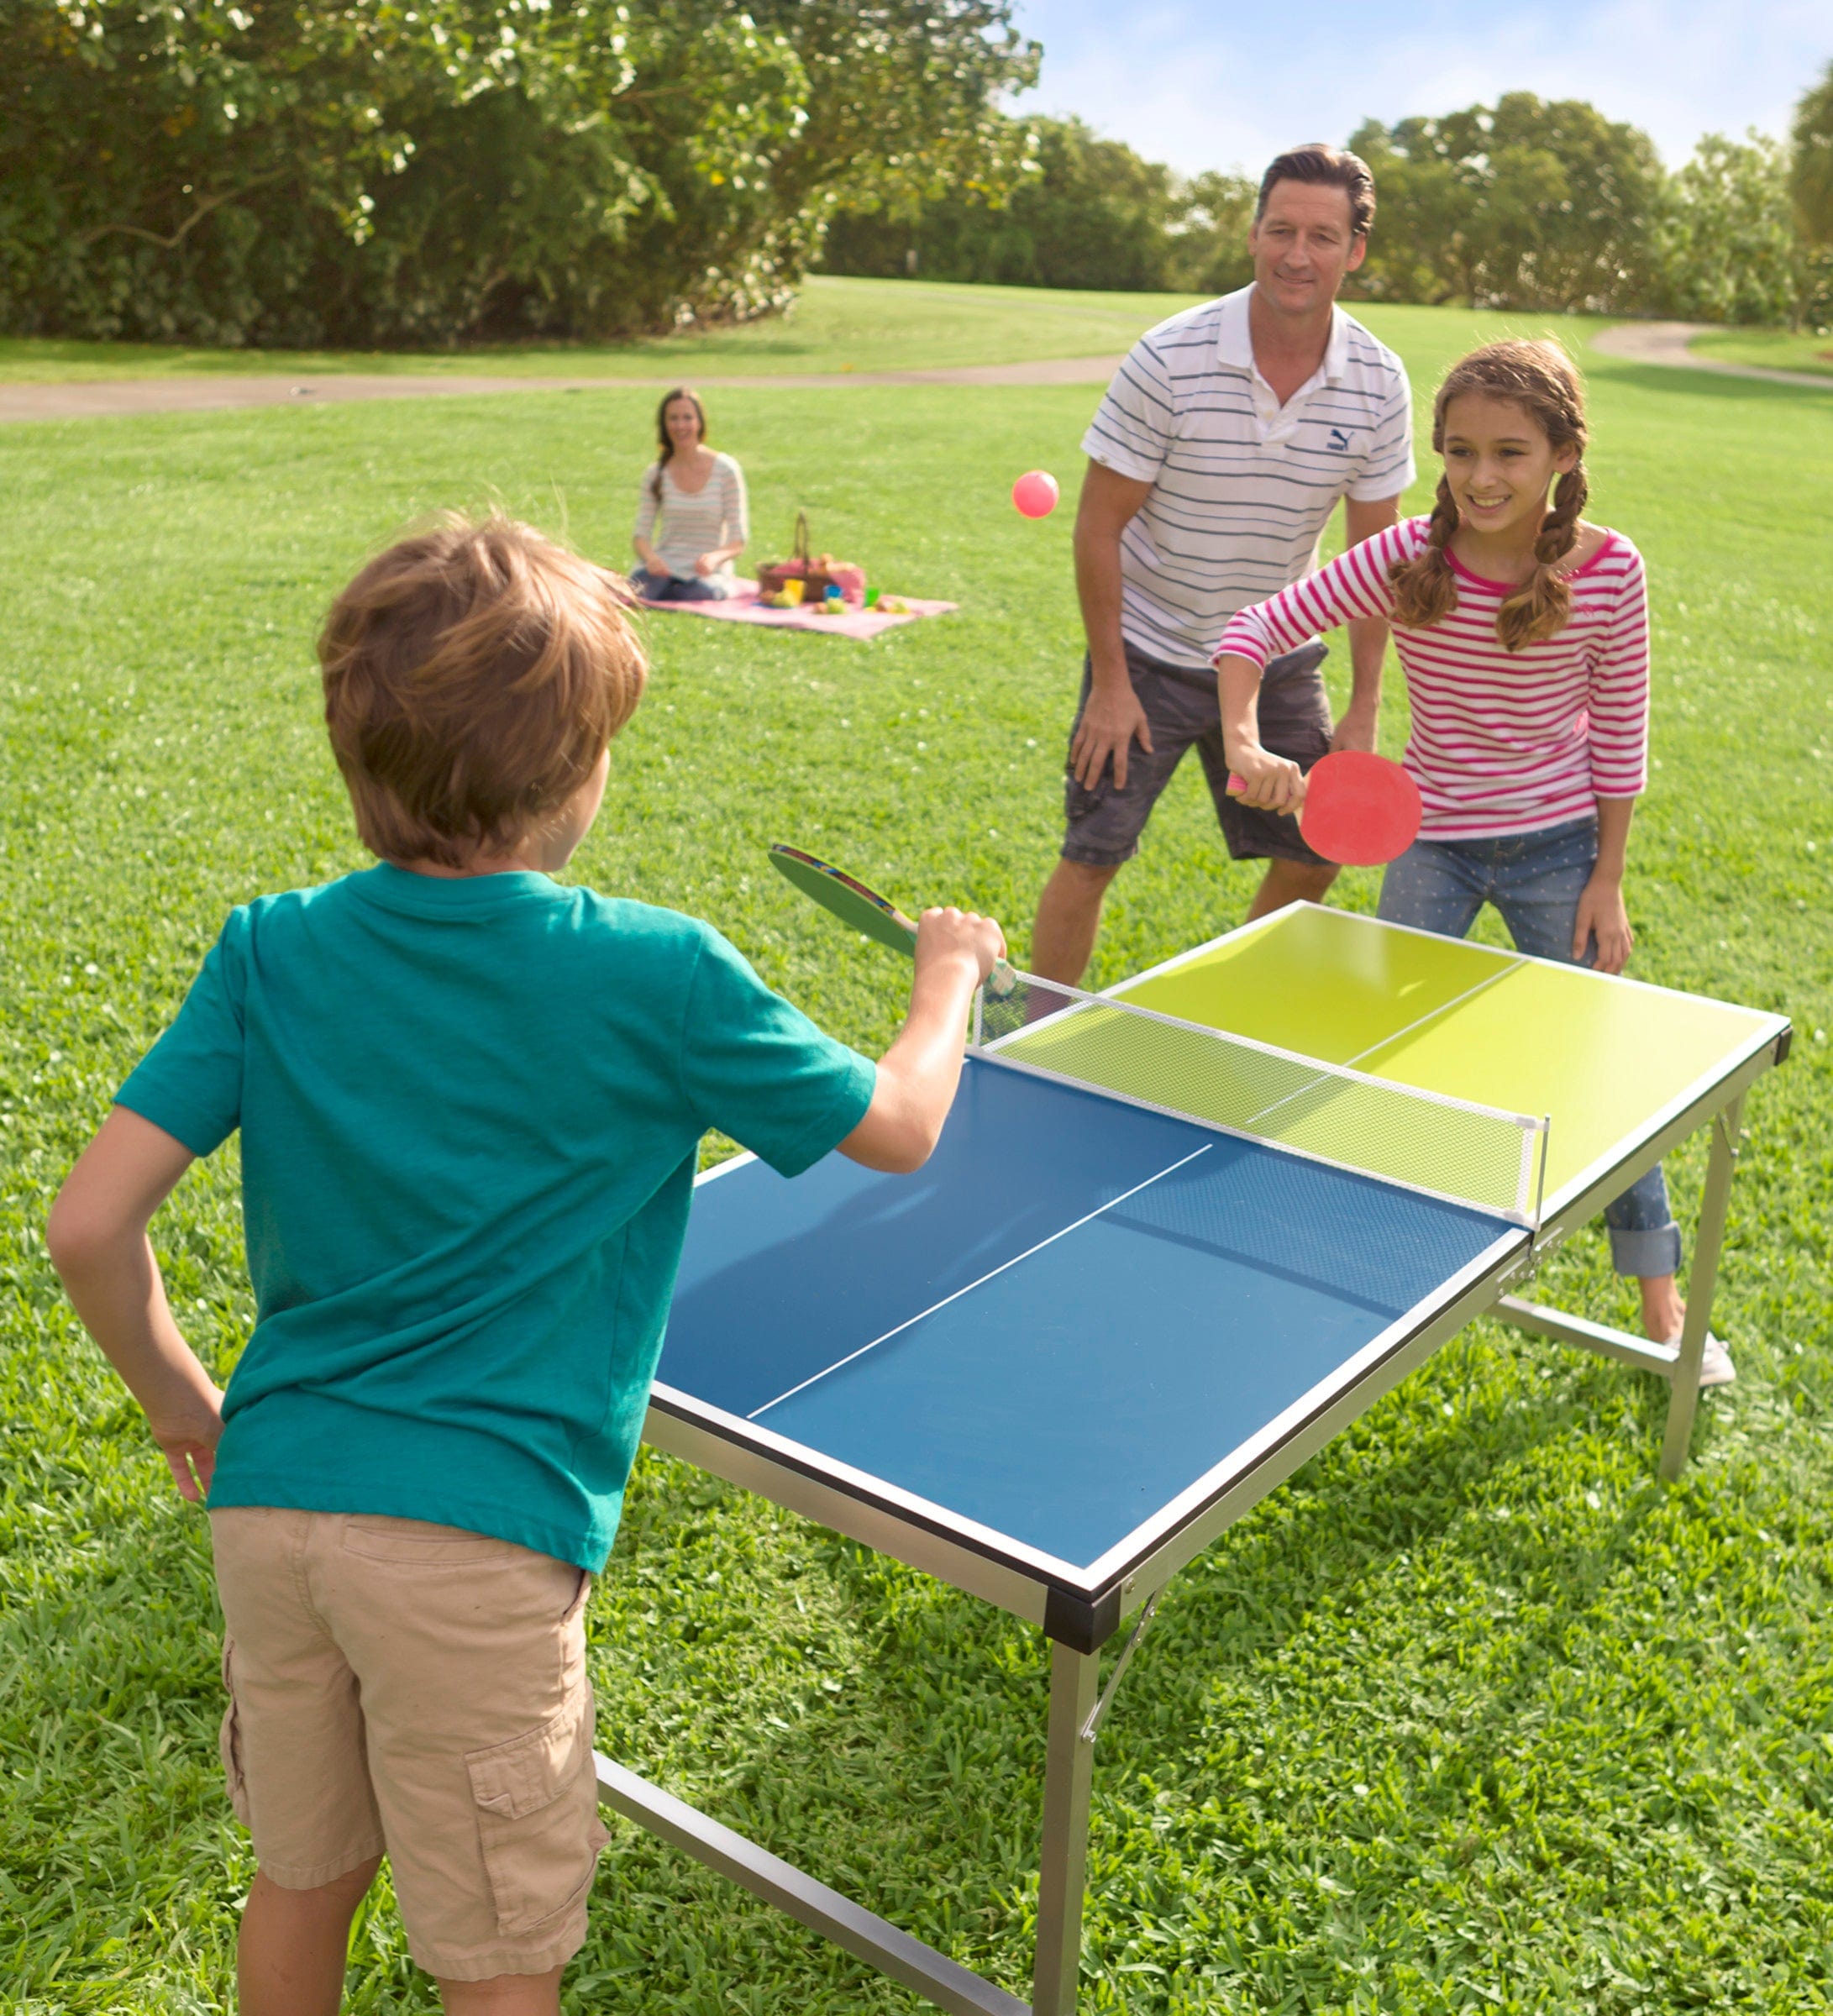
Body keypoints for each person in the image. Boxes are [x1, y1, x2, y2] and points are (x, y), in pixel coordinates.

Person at [45, 512, 1005, 2016]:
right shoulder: (660, 970)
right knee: (497, 1955)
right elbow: (897, 1126)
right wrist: (944, 976)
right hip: (475, 1547)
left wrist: (180, 1401)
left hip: (271, 1510)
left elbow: (86, 1226)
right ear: (579, 772)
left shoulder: (270, 948)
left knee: (304, 1876)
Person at [1216, 339, 1729, 1383]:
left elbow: (1622, 731)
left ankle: (1663, 1305)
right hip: (1433, 843)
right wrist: (1239, 739)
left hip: (1558, 851)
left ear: (1561, 455)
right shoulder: (1407, 556)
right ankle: (1375, 1267)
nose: (1480, 477)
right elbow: (1252, 627)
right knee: (1390, 1055)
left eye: (1508, 451)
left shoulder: (1610, 570)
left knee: (1600, 1078)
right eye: (1457, 452)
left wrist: (1607, 876)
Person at [1028, 143, 1415, 987]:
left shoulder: (1380, 381)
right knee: (1092, 855)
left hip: (1281, 657)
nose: (1295, 254)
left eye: (1321, 236)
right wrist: (1109, 682)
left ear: (1354, 251)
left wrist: (1364, 707)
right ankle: (1034, 1039)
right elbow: (1097, 526)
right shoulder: (1168, 358)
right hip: (1148, 654)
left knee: (1316, 856)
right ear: (1252, 235)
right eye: (1280, 230)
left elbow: (1375, 557)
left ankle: (1221, 1010)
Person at [630, 386, 748, 601]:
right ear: (664, 425)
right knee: (643, 590)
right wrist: (651, 559)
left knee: (700, 593)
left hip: (707, 574)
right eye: (673, 418)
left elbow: (738, 541)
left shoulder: (726, 470)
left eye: (687, 417)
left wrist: (714, 558)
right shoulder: (656, 473)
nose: (680, 425)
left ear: (699, 422)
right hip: (664, 568)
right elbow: (641, 536)